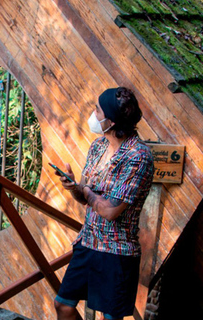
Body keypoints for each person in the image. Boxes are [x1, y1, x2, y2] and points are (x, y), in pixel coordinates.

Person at [53, 87, 154, 320]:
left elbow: (110, 210)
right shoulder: (98, 147)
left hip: (116, 253)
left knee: (110, 318)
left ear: (111, 120)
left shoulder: (137, 156)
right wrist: (74, 187)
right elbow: (86, 198)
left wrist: (85, 189)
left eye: (97, 109)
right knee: (63, 305)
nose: (94, 114)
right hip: (88, 242)